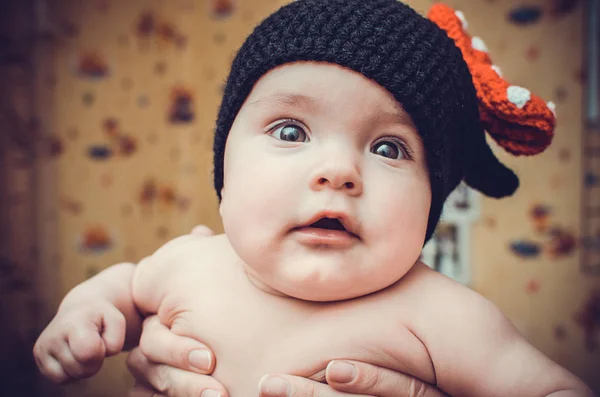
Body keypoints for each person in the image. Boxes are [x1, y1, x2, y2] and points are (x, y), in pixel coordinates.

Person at [33, 1, 595, 396]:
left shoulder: (444, 319)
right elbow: (126, 288)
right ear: (224, 168)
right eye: (290, 132)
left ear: (433, 200)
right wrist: (86, 310)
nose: (338, 171)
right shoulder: (190, 263)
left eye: (389, 147)